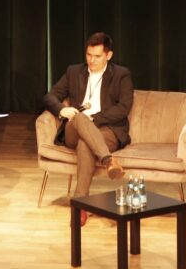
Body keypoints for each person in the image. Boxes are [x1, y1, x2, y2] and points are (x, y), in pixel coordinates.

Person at [42, 32, 130, 225]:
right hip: (74, 127)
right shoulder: (74, 71)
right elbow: (50, 97)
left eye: (97, 56)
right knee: (80, 119)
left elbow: (123, 108)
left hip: (107, 130)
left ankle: (80, 206)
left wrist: (94, 119)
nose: (91, 60)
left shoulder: (121, 74)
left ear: (108, 55)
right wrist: (62, 110)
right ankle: (108, 160)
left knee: (85, 144)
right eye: (89, 55)